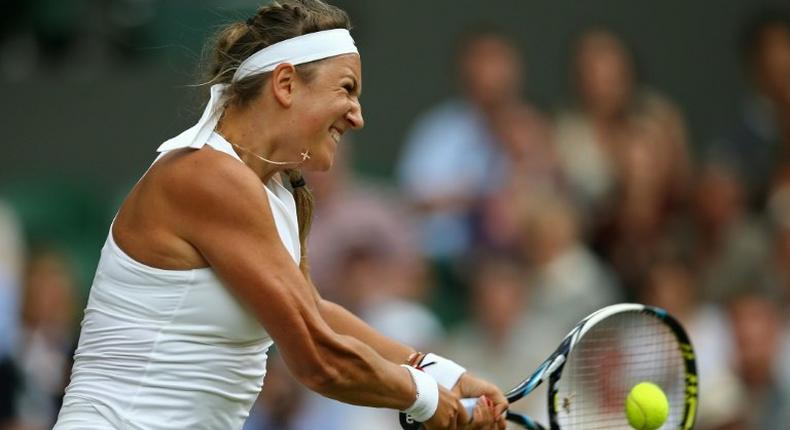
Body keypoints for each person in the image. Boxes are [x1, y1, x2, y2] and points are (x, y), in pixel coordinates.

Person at [52, 1, 506, 429]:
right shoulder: (205, 176)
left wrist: (438, 372)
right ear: (285, 84)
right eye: (347, 89)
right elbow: (318, 359)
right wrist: (426, 399)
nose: (357, 116)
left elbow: (314, 312)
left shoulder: (284, 189)